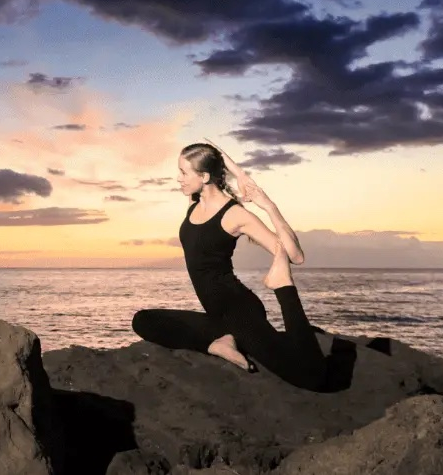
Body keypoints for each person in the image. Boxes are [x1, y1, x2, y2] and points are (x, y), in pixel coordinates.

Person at [131, 141, 329, 392]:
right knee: (143, 321)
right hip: (217, 317)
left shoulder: (234, 214)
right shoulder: (194, 200)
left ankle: (282, 286)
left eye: (183, 172)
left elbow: (295, 255)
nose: (178, 178)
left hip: (239, 311)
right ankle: (218, 344)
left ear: (203, 176)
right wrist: (239, 173)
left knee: (311, 377)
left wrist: (268, 205)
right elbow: (214, 156)